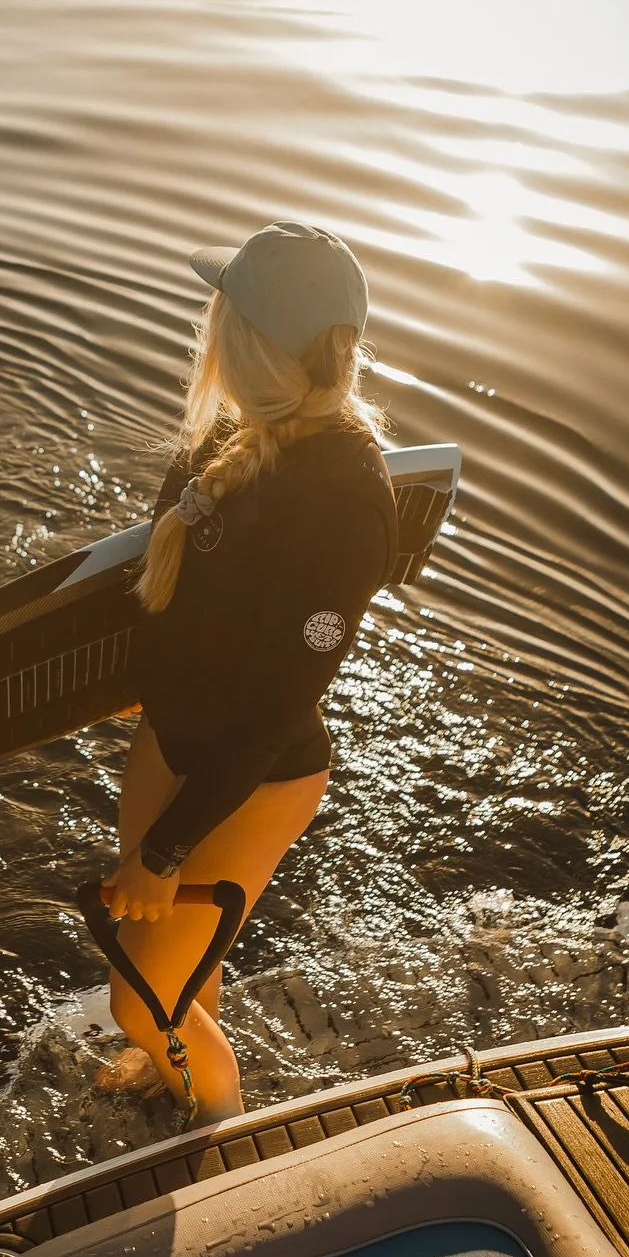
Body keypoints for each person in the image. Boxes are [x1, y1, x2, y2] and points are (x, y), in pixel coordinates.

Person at [101, 221, 397, 1126]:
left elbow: (276, 707)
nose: (209, 328)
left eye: (222, 313)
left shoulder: (347, 496)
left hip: (257, 774)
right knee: (173, 969)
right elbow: (169, 596)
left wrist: (166, 850)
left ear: (254, 339)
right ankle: (176, 1070)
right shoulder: (230, 442)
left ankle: (219, 1135)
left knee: (135, 1001)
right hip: (171, 737)